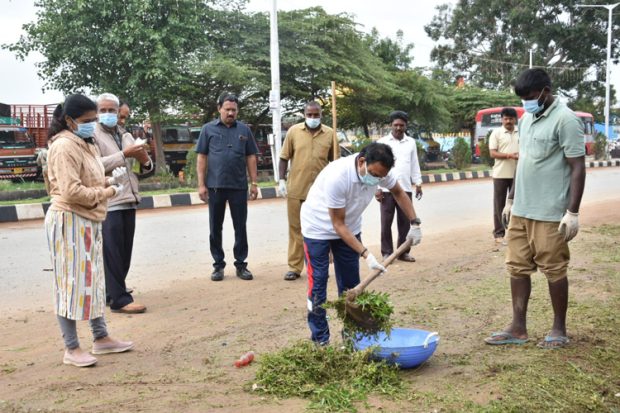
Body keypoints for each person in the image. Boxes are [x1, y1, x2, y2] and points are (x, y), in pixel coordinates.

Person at [485, 68, 585, 349]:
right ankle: (518, 327)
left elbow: (577, 167)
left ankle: (558, 329)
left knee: (554, 269)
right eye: (522, 99)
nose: (526, 103)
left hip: (551, 212)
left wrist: (572, 212)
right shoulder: (527, 120)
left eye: (530, 97)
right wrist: (512, 199)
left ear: (545, 91)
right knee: (516, 267)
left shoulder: (566, 120)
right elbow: (524, 163)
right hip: (522, 210)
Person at [300, 142, 423, 345]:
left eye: (380, 177)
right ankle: (320, 340)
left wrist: (415, 222)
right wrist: (367, 254)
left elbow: (399, 193)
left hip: (351, 226)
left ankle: (351, 338)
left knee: (351, 286)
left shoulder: (381, 171)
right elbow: (338, 225)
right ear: (362, 161)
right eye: (374, 174)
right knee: (318, 286)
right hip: (318, 228)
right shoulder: (339, 176)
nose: (376, 180)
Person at [45, 94, 134, 367]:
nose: (93, 124)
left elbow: (88, 177)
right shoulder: (63, 146)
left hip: (89, 220)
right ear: (69, 121)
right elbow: (71, 191)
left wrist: (110, 179)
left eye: (94, 119)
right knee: (70, 285)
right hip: (69, 220)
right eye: (87, 121)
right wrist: (107, 191)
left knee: (94, 282)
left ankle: (101, 337)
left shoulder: (85, 142)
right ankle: (71, 348)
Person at [94, 93, 152, 314]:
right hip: (110, 200)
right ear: (97, 112)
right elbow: (94, 166)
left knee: (125, 251)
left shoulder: (125, 134)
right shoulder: (93, 137)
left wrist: (144, 160)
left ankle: (112, 291)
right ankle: (119, 299)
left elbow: (143, 168)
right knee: (112, 252)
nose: (109, 114)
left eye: (113, 110)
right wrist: (123, 154)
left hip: (129, 199)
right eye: (104, 110)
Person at [196, 93, 259, 282]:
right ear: (219, 109)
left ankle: (241, 265)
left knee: (240, 226)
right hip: (215, 186)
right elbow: (202, 158)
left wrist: (254, 183)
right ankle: (218, 266)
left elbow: (251, 157)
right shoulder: (208, 130)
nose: (231, 113)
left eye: (234, 110)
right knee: (215, 226)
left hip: (238, 186)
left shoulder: (244, 130)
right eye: (227, 109)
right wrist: (201, 185)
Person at [278, 101, 335, 281]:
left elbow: (335, 163)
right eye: (309, 115)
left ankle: (318, 266)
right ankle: (294, 267)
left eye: (315, 115)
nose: (312, 118)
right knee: (296, 229)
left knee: (321, 230)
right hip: (297, 189)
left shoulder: (330, 134)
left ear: (321, 114)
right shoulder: (294, 132)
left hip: (320, 192)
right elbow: (283, 158)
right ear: (304, 115)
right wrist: (281, 180)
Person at [375, 111, 422, 262]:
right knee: (386, 223)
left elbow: (414, 164)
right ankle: (387, 253)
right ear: (391, 125)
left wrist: (418, 183)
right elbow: (375, 166)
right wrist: (377, 188)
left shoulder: (411, 142)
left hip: (405, 188)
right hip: (386, 189)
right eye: (396, 125)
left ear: (405, 126)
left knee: (405, 223)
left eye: (401, 125)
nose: (398, 128)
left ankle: (403, 252)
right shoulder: (382, 142)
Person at [489, 107, 520, 245]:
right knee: (499, 205)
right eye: (506, 118)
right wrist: (509, 155)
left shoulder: (521, 132)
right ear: (502, 119)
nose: (508, 121)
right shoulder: (496, 133)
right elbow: (493, 153)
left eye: (511, 119)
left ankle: (516, 232)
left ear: (515, 119)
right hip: (500, 174)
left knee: (518, 204)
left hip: (518, 174)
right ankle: (499, 234)